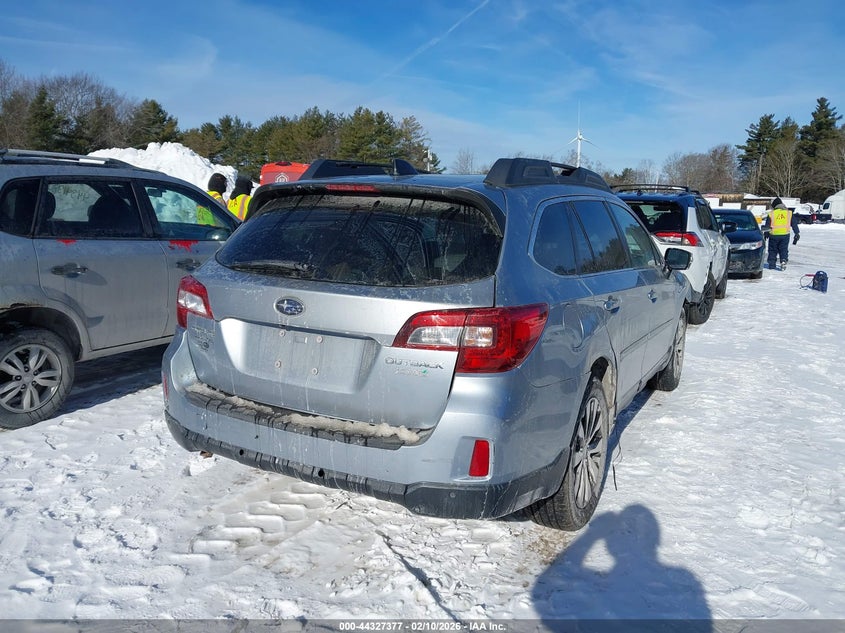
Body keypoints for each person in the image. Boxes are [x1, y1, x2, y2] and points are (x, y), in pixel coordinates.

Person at [763, 197, 800, 271]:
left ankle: (772, 264)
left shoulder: (771, 214)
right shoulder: (788, 213)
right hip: (785, 235)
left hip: (773, 235)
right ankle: (783, 260)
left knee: (772, 250)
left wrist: (766, 235)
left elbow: (767, 226)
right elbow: (794, 224)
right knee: (783, 249)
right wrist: (797, 233)